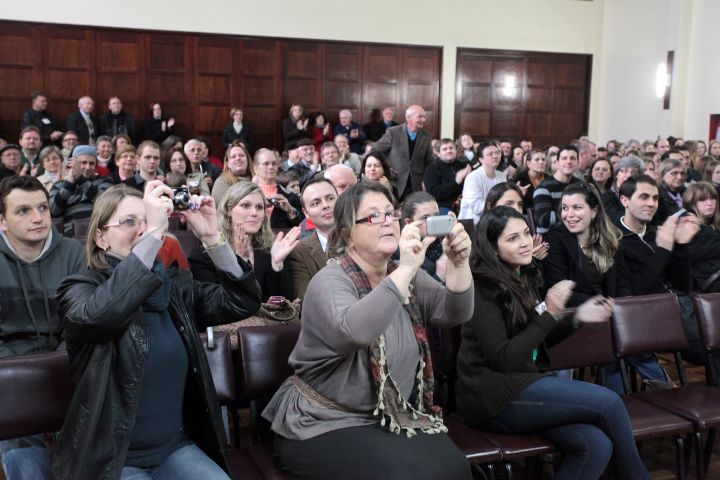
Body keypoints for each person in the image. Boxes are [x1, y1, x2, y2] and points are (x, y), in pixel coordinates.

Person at [263, 181, 474, 480]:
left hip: (385, 413)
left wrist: (459, 263)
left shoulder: (406, 274)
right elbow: (356, 332)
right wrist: (404, 270)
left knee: (456, 467)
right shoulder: (329, 282)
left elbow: (456, 312)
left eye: (391, 213)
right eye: (374, 216)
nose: (388, 221)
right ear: (347, 234)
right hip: (323, 421)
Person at [52, 180, 261, 479]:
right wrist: (151, 235)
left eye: (146, 220)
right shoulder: (79, 289)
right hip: (113, 460)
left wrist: (213, 238)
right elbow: (102, 315)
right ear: (100, 237)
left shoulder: (175, 288)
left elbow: (242, 303)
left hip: (175, 449)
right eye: (129, 222)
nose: (141, 228)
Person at [456, 206, 650, 479]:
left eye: (525, 233)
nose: (525, 242)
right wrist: (550, 313)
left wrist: (576, 318)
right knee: (609, 402)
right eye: (512, 238)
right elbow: (504, 357)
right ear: (492, 248)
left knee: (595, 444)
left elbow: (536, 337)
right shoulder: (482, 287)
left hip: (522, 385)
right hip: (491, 399)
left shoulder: (521, 275)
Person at [542, 183, 668, 392]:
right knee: (616, 332)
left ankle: (657, 391)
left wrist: (623, 306)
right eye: (565, 208)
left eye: (576, 207)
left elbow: (623, 283)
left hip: (608, 314)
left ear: (594, 211)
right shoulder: (556, 239)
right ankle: (644, 392)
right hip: (572, 316)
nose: (569, 214)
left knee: (626, 330)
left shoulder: (610, 239)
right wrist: (603, 307)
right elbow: (560, 290)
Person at [0, 176, 84, 478]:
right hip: (10, 371)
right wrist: (18, 374)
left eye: (42, 208)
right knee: (21, 453)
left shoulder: (74, 252)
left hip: (66, 363)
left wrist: (59, 364)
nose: (38, 218)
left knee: (85, 447)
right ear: (2, 221)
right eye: (23, 211)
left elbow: (79, 322)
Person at [190, 181, 299, 301]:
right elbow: (215, 306)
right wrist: (238, 262)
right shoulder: (202, 257)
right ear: (228, 210)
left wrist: (276, 265)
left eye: (259, 207)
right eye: (246, 205)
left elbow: (284, 305)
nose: (254, 213)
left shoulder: (272, 250)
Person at [287, 176, 337, 299]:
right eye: (316, 203)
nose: (325, 205)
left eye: (330, 198)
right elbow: (307, 299)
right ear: (305, 213)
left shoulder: (363, 238)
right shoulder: (299, 251)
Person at [372, 105, 434, 200]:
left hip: (415, 186)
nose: (423, 120)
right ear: (408, 117)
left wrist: (426, 181)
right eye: (420, 116)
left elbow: (429, 162)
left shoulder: (426, 136)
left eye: (424, 117)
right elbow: (375, 151)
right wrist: (386, 167)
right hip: (395, 184)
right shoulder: (393, 132)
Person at [49, 145, 115, 223]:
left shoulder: (105, 181)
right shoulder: (58, 185)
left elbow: (106, 204)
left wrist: (81, 180)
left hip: (96, 228)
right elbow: (53, 210)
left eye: (91, 164)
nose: (87, 167)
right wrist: (69, 184)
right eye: (83, 163)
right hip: (69, 232)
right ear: (72, 163)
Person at [533, 145, 582, 234]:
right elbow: (544, 220)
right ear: (558, 162)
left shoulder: (580, 185)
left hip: (576, 235)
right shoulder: (544, 188)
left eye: (572, 158)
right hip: (550, 238)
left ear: (577, 163)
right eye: (564, 158)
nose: (568, 162)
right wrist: (575, 214)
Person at [683, 181, 720, 292]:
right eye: (703, 199)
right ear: (692, 203)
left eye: (712, 198)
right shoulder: (687, 224)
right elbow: (693, 253)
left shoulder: (715, 224)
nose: (710, 203)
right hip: (710, 281)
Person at [253, 148, 303, 229]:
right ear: (255, 168)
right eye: (266, 164)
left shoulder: (290, 195)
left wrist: (290, 211)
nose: (271, 167)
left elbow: (301, 225)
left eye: (274, 163)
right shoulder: (248, 194)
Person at [458, 142, 507, 224]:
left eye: (497, 153)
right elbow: (477, 208)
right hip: (472, 224)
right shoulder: (473, 178)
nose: (495, 156)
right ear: (481, 159)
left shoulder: (502, 176)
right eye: (490, 154)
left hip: (494, 220)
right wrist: (501, 204)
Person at [423, 138, 471, 213]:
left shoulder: (462, 165)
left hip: (464, 203)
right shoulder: (432, 168)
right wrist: (455, 182)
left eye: (451, 148)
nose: (449, 151)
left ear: (455, 150)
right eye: (445, 149)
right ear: (438, 153)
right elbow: (434, 193)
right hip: (443, 206)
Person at [601, 154, 644, 225]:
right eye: (624, 171)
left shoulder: (642, 196)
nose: (628, 175)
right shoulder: (607, 197)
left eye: (634, 172)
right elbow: (617, 221)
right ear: (617, 174)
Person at [655, 158, 686, 224]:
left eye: (682, 173)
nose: (679, 177)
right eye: (674, 173)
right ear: (663, 175)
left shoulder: (688, 193)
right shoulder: (657, 196)